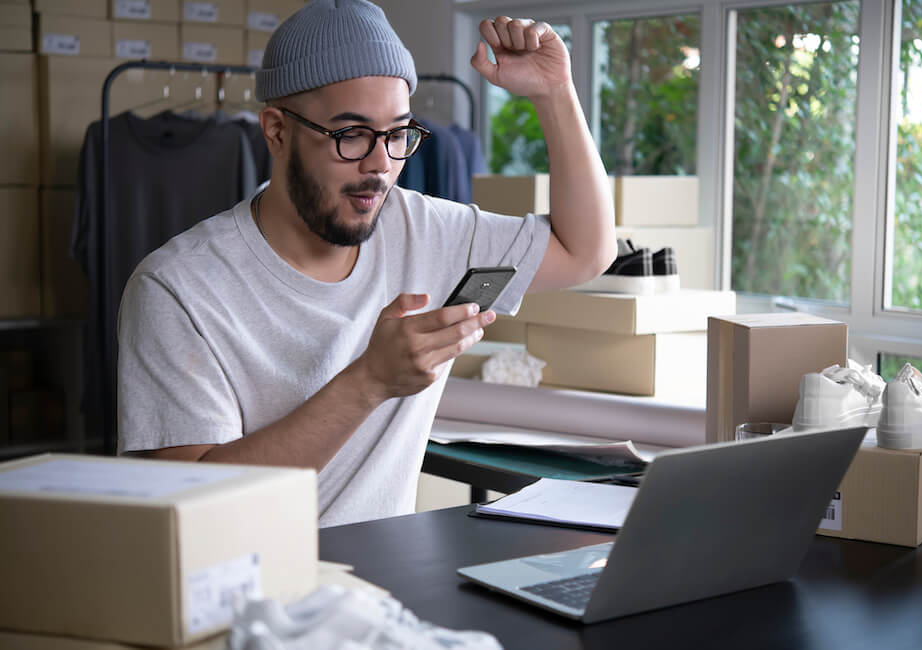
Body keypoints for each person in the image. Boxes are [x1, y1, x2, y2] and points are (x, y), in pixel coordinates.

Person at [117, 0, 615, 527]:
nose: (380, 165)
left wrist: (555, 93)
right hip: (245, 594)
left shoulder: (426, 231)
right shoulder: (178, 288)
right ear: (277, 131)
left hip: (384, 585)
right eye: (350, 135)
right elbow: (190, 510)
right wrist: (371, 381)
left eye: (398, 134)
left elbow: (584, 251)